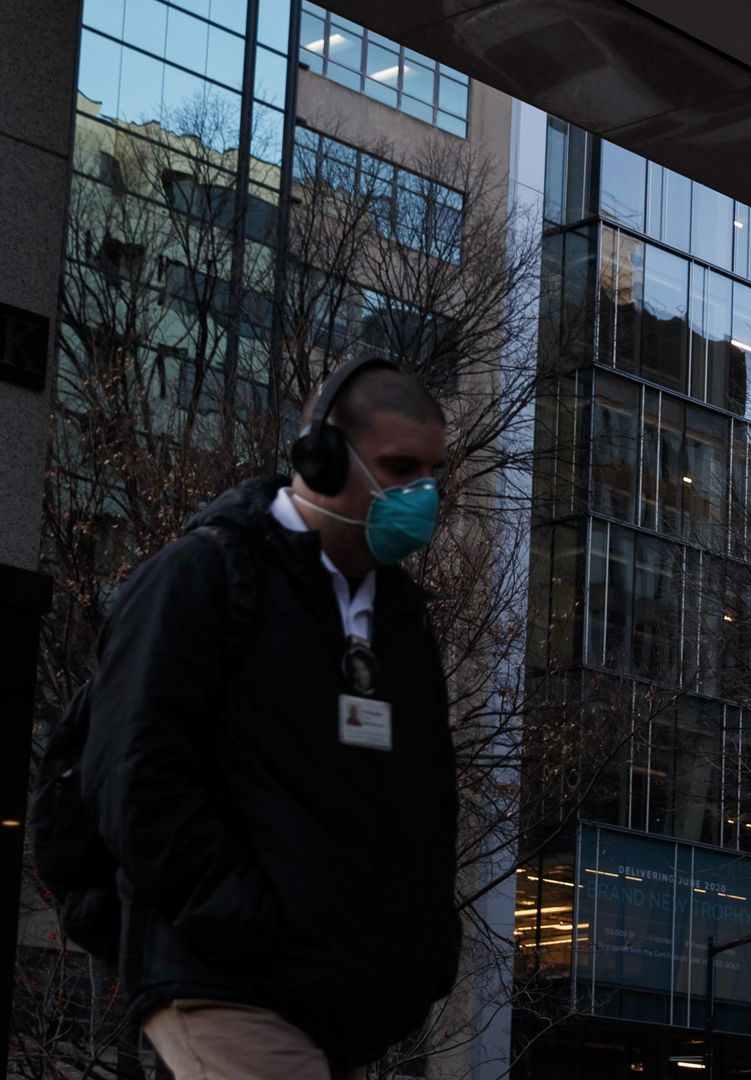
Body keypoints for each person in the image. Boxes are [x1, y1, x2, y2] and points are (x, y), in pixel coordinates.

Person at [82, 358, 460, 1079]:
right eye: (399, 466)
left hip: (335, 1003)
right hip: (229, 986)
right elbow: (135, 778)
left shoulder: (403, 622)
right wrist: (248, 925)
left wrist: (423, 954)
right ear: (318, 457)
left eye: (433, 472)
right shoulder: (204, 575)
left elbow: (428, 803)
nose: (422, 494)